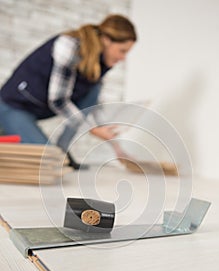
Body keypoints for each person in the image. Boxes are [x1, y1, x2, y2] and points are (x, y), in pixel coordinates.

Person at [0, 14, 137, 168]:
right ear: (106, 40)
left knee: (94, 90)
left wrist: (116, 148)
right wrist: (92, 129)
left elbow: (94, 104)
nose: (123, 58)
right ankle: (7, 131)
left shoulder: (99, 61)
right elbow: (58, 101)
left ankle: (62, 152)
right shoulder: (69, 47)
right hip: (12, 106)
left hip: (39, 107)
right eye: (122, 51)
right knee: (49, 163)